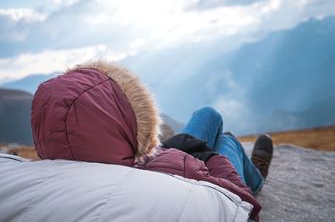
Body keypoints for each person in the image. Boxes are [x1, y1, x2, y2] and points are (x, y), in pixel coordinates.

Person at [31, 60, 273, 222]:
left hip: (139, 159)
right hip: (169, 163)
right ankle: (256, 176)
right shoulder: (169, 169)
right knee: (227, 142)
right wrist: (210, 157)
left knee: (207, 115)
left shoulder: (35, 179)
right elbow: (243, 205)